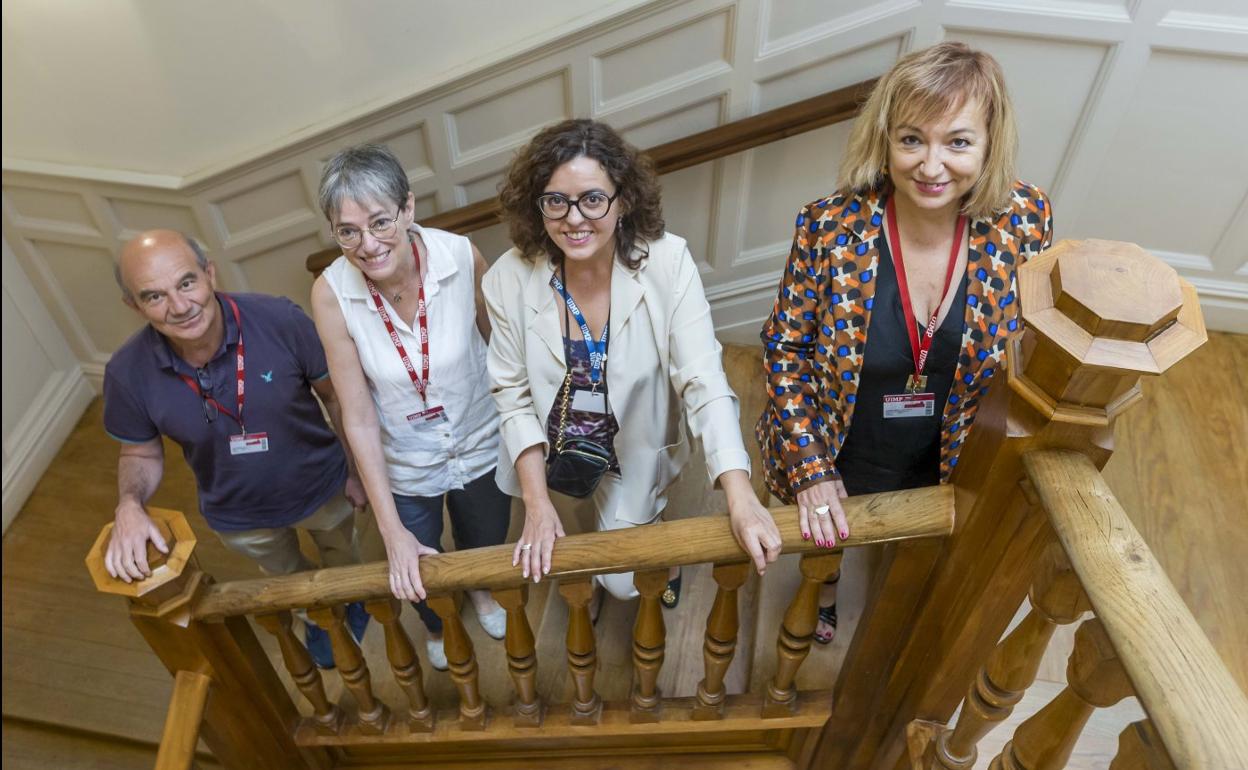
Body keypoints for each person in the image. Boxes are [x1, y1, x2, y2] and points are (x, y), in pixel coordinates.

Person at [758, 42, 1054, 644]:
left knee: (918, 553)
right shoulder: (829, 226)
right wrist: (812, 469)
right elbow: (785, 352)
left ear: (990, 142)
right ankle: (827, 588)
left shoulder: (1025, 219)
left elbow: (1028, 339)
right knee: (826, 544)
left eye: (958, 142)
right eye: (912, 139)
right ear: (885, 139)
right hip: (841, 440)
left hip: (946, 449)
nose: (932, 165)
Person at [484, 118, 782, 613]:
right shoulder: (506, 282)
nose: (574, 218)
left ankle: (647, 567)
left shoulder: (667, 263)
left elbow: (704, 380)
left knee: (623, 582)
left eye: (592, 199)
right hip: (555, 452)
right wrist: (535, 506)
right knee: (574, 553)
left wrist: (741, 493)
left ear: (622, 200)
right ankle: (591, 579)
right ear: (538, 208)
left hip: (629, 452)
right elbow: (512, 398)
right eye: (555, 200)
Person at [104, 230, 369, 668]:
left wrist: (357, 470)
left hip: (323, 484)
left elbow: (336, 396)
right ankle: (317, 616)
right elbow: (139, 452)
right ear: (134, 306)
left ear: (210, 274)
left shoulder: (281, 319)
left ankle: (353, 599)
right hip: (238, 513)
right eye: (155, 296)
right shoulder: (126, 373)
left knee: (341, 554)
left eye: (187, 283)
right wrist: (129, 503)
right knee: (284, 576)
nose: (179, 306)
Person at [311, 144, 511, 671]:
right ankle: (438, 625)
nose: (368, 245)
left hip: (481, 441)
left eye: (380, 222)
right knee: (417, 565)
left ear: (409, 208)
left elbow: (504, 355)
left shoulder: (460, 257)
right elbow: (355, 414)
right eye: (347, 231)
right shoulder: (331, 294)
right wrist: (390, 531)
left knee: (484, 539)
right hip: (405, 461)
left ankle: (483, 595)